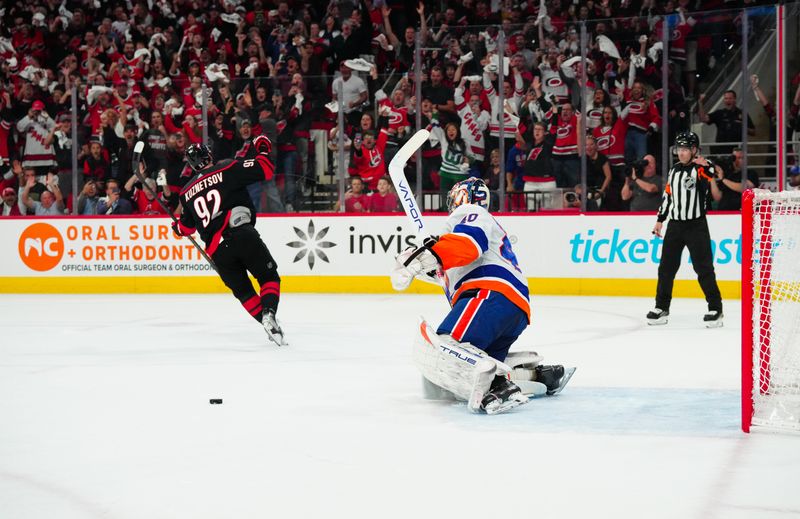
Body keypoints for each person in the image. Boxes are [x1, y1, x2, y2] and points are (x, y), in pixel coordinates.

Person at [391, 177, 571, 415]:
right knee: (467, 374)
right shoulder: (473, 231)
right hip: (511, 308)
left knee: (446, 349)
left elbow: (469, 244)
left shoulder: (470, 211)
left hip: (489, 297)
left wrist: (428, 254)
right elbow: (453, 265)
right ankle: (537, 377)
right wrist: (423, 261)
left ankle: (500, 387)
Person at [173, 141, 286, 346]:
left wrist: (177, 228)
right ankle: (269, 313)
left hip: (218, 252)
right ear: (208, 154)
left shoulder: (185, 192)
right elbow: (266, 170)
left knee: (244, 293)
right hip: (241, 233)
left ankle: (267, 323)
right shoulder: (227, 168)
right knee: (268, 276)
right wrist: (262, 149)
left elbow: (185, 229)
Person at [649, 132, 724, 327]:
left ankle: (716, 309)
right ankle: (661, 307)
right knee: (666, 268)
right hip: (675, 225)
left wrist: (706, 164)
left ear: (693, 150)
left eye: (685, 149)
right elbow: (668, 196)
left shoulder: (699, 169)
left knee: (703, 268)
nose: (681, 153)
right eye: (678, 149)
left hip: (696, 225)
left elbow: (713, 173)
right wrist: (660, 220)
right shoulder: (674, 170)